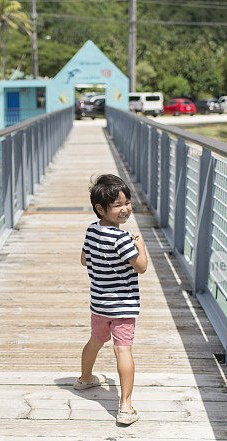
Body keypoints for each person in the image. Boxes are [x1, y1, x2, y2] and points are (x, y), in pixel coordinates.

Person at [76, 174, 148, 425]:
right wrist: (140, 246)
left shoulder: (92, 231)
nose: (125, 209)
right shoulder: (122, 240)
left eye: (127, 203)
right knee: (123, 350)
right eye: (117, 205)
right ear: (100, 209)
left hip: (99, 303)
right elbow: (141, 267)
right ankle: (126, 406)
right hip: (123, 305)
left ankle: (85, 378)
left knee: (96, 340)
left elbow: (85, 260)